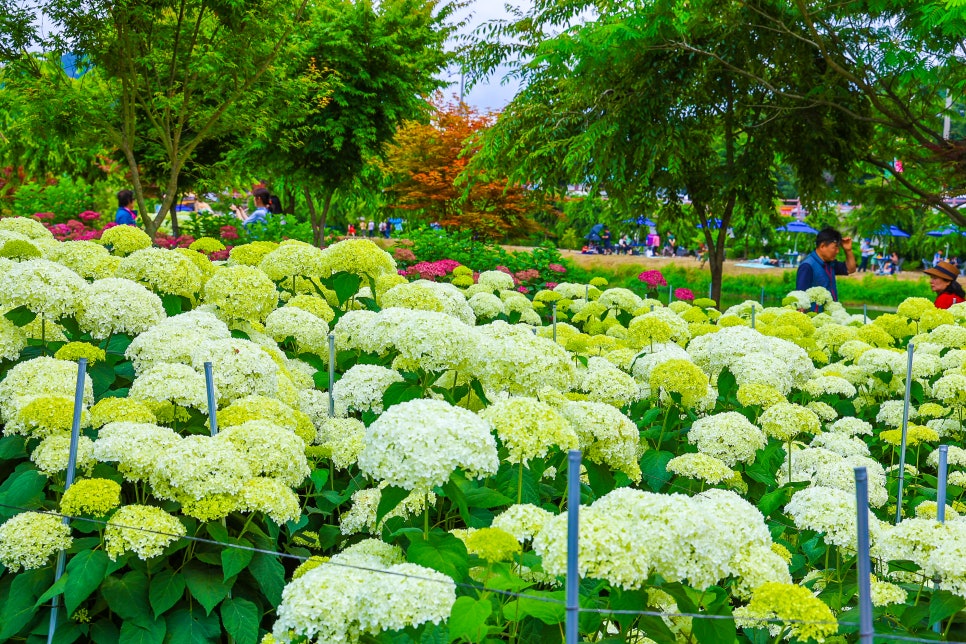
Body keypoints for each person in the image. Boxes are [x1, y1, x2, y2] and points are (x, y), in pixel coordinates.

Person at [795, 227, 856, 307]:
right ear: (823, 246)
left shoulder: (831, 263)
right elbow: (800, 298)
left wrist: (848, 250)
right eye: (835, 247)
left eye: (838, 248)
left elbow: (850, 269)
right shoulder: (807, 266)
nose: (837, 252)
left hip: (831, 315)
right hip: (815, 317)